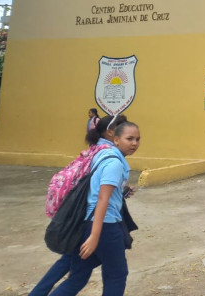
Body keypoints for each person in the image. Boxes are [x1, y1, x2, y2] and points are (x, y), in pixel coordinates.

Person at [30, 114, 128, 296]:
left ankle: (37, 293)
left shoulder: (95, 149)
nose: (132, 140)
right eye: (126, 133)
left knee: (77, 273)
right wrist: (94, 235)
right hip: (96, 220)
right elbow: (101, 197)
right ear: (112, 133)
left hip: (81, 217)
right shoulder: (111, 155)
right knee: (113, 273)